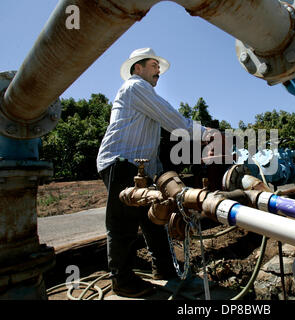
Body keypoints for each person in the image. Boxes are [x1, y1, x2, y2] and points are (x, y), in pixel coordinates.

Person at [96, 48, 206, 297]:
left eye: (158, 66)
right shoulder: (135, 87)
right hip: (120, 162)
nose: (159, 71)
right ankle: (122, 281)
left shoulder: (144, 94)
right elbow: (174, 120)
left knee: (154, 219)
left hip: (140, 165)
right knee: (122, 223)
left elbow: (150, 145)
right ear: (138, 68)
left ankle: (164, 269)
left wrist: (158, 177)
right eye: (154, 65)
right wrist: (207, 133)